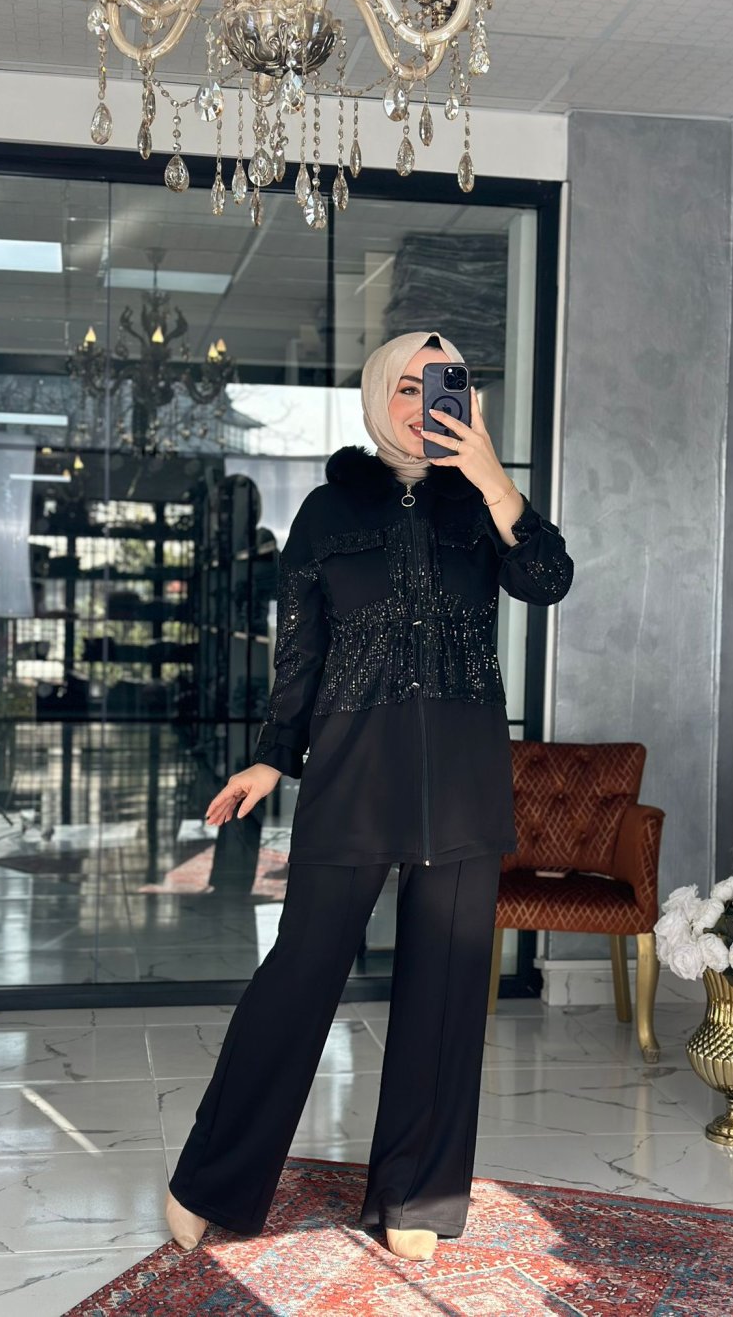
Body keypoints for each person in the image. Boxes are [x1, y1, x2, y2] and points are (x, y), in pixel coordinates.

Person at [165, 330, 573, 1263]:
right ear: (376, 396)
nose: (422, 404)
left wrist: (493, 477)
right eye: (405, 387)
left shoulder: (482, 504)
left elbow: (547, 581)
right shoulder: (328, 509)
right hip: (353, 774)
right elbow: (299, 649)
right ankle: (211, 1177)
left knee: (447, 991)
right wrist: (273, 757)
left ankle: (417, 1194)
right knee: (299, 974)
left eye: (443, 385)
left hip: (463, 780)